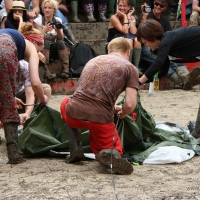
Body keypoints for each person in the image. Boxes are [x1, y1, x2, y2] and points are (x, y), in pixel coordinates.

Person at [60, 37, 138, 175]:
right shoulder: (129, 68)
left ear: (109, 51)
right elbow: (130, 104)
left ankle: (76, 150)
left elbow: (91, 90)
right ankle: (110, 154)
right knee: (113, 148)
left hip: (73, 113)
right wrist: (124, 113)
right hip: (99, 119)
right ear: (128, 52)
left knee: (65, 102)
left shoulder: (92, 61)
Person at [0, 22, 48, 164]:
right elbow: (35, 82)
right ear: (35, 43)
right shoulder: (32, 48)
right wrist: (42, 98)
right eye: (40, 49)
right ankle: (14, 155)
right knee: (9, 109)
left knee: (8, 99)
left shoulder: (10, 35)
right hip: (4, 51)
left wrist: (12, 97)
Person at [137, 0, 200, 90]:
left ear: (150, 36)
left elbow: (157, 64)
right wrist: (145, 81)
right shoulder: (164, 45)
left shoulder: (166, 40)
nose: (146, 46)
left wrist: (139, 81)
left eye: (145, 42)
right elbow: (163, 70)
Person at [33, 0, 70, 79]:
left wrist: (57, 30)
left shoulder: (58, 20)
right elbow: (36, 39)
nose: (47, 10)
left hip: (54, 50)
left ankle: (66, 70)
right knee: (45, 42)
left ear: (54, 10)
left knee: (60, 43)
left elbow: (61, 38)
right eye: (45, 8)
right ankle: (46, 71)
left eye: (50, 8)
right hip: (41, 49)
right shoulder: (37, 21)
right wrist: (44, 31)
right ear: (42, 10)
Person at [107, 0, 141, 73]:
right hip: (114, 41)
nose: (122, 8)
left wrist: (129, 17)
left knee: (137, 40)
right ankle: (128, 67)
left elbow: (134, 32)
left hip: (126, 39)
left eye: (124, 6)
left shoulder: (132, 18)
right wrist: (125, 17)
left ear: (129, 7)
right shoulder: (114, 17)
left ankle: (135, 68)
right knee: (129, 41)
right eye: (120, 6)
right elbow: (125, 31)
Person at [16, 60, 52, 125]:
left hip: (19, 95)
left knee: (45, 88)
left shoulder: (24, 66)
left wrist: (27, 113)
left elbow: (30, 95)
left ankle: (35, 123)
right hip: (4, 98)